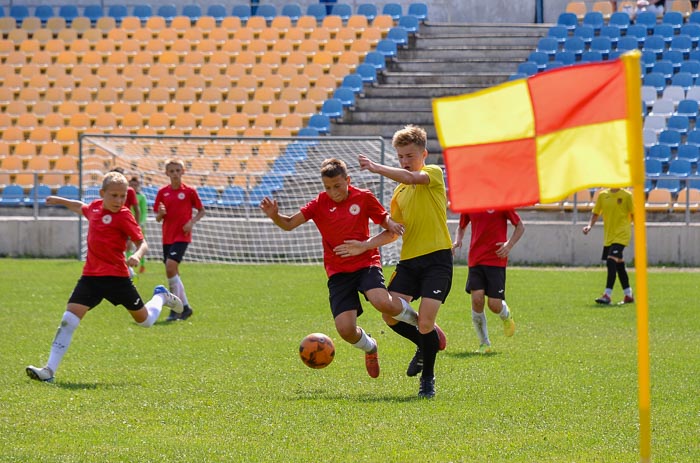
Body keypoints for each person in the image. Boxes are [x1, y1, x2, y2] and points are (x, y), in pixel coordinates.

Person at [260, 158, 420, 379]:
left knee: (382, 302)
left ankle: (421, 322)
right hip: (338, 272)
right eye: (327, 187)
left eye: (337, 186)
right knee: (345, 330)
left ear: (348, 180)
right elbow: (288, 224)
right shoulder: (319, 203)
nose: (333, 191)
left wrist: (390, 224)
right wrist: (275, 216)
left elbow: (386, 222)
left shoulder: (363, 197)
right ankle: (371, 346)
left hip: (365, 263)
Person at [25, 171, 183, 383]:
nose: (119, 200)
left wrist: (136, 255)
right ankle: (48, 371)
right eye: (114, 196)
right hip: (90, 278)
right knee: (68, 320)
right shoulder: (96, 208)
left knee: (144, 322)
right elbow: (78, 205)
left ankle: (161, 297)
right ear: (102, 194)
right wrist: (59, 200)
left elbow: (142, 243)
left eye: (123, 196)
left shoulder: (125, 216)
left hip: (117, 278)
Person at [357, 125, 452, 399]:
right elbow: (393, 231)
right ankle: (425, 344)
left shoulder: (433, 174)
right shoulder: (398, 192)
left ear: (424, 153)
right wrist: (364, 246)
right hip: (410, 262)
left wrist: (376, 167)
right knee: (389, 313)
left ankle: (428, 379)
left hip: (437, 260)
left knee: (425, 322)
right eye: (400, 157)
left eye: (409, 155)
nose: (405, 161)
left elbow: (413, 178)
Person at [453, 210, 524, 354]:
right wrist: (458, 240)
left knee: (494, 305)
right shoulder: (470, 202)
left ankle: (505, 314)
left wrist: (509, 245)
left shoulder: (501, 201)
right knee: (477, 300)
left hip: (496, 259)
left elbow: (520, 226)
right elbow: (461, 226)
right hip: (475, 260)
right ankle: (484, 343)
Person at [154, 159, 205, 321]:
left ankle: (175, 309)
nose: (175, 174)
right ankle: (186, 307)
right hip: (167, 236)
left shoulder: (189, 191)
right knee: (172, 272)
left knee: (170, 267)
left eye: (178, 170)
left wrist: (191, 222)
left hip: (182, 236)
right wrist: (161, 213)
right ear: (167, 173)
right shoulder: (163, 192)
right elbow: (158, 218)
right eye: (172, 171)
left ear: (183, 172)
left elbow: (201, 210)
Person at [582, 188, 635, 305]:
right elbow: (596, 212)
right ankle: (628, 295)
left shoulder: (627, 195)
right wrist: (589, 226)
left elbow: (635, 214)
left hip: (622, 234)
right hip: (609, 236)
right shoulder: (602, 195)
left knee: (611, 261)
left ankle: (607, 295)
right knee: (619, 265)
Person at [129, 175, 148, 274]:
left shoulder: (141, 196)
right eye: (131, 185)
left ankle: (142, 265)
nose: (133, 187)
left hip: (138, 224)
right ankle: (128, 266)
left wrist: (141, 223)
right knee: (127, 244)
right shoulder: (126, 195)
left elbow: (144, 211)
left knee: (140, 245)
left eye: (135, 185)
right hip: (128, 223)